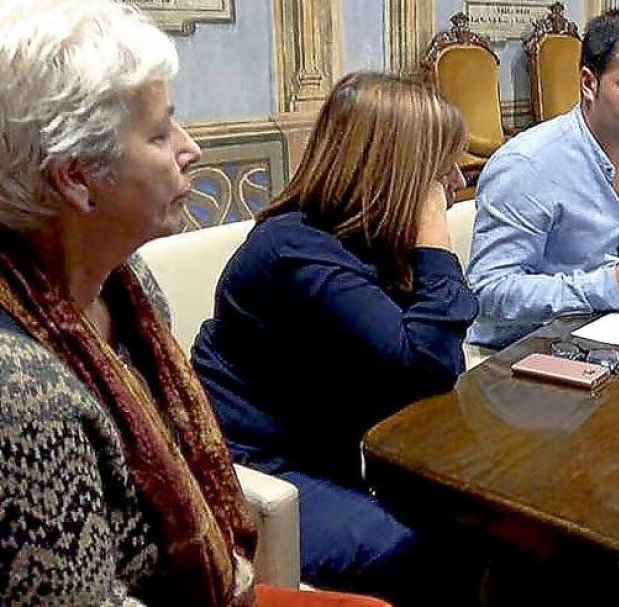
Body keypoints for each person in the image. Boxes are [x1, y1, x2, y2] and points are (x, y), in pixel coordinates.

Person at [0, 0, 386, 607]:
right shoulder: (21, 399)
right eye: (158, 135)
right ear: (76, 178)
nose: (191, 149)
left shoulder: (129, 280)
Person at [191, 72, 477, 602]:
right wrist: (436, 239)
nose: (456, 182)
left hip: (336, 453)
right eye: (441, 170)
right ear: (401, 172)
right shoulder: (298, 252)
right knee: (428, 550)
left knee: (485, 522)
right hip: (258, 476)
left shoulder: (364, 240)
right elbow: (428, 365)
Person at [467, 6, 619, 349]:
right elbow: (488, 291)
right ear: (589, 83)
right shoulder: (528, 166)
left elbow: (606, 254)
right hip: (520, 356)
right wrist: (606, 289)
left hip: (605, 338)